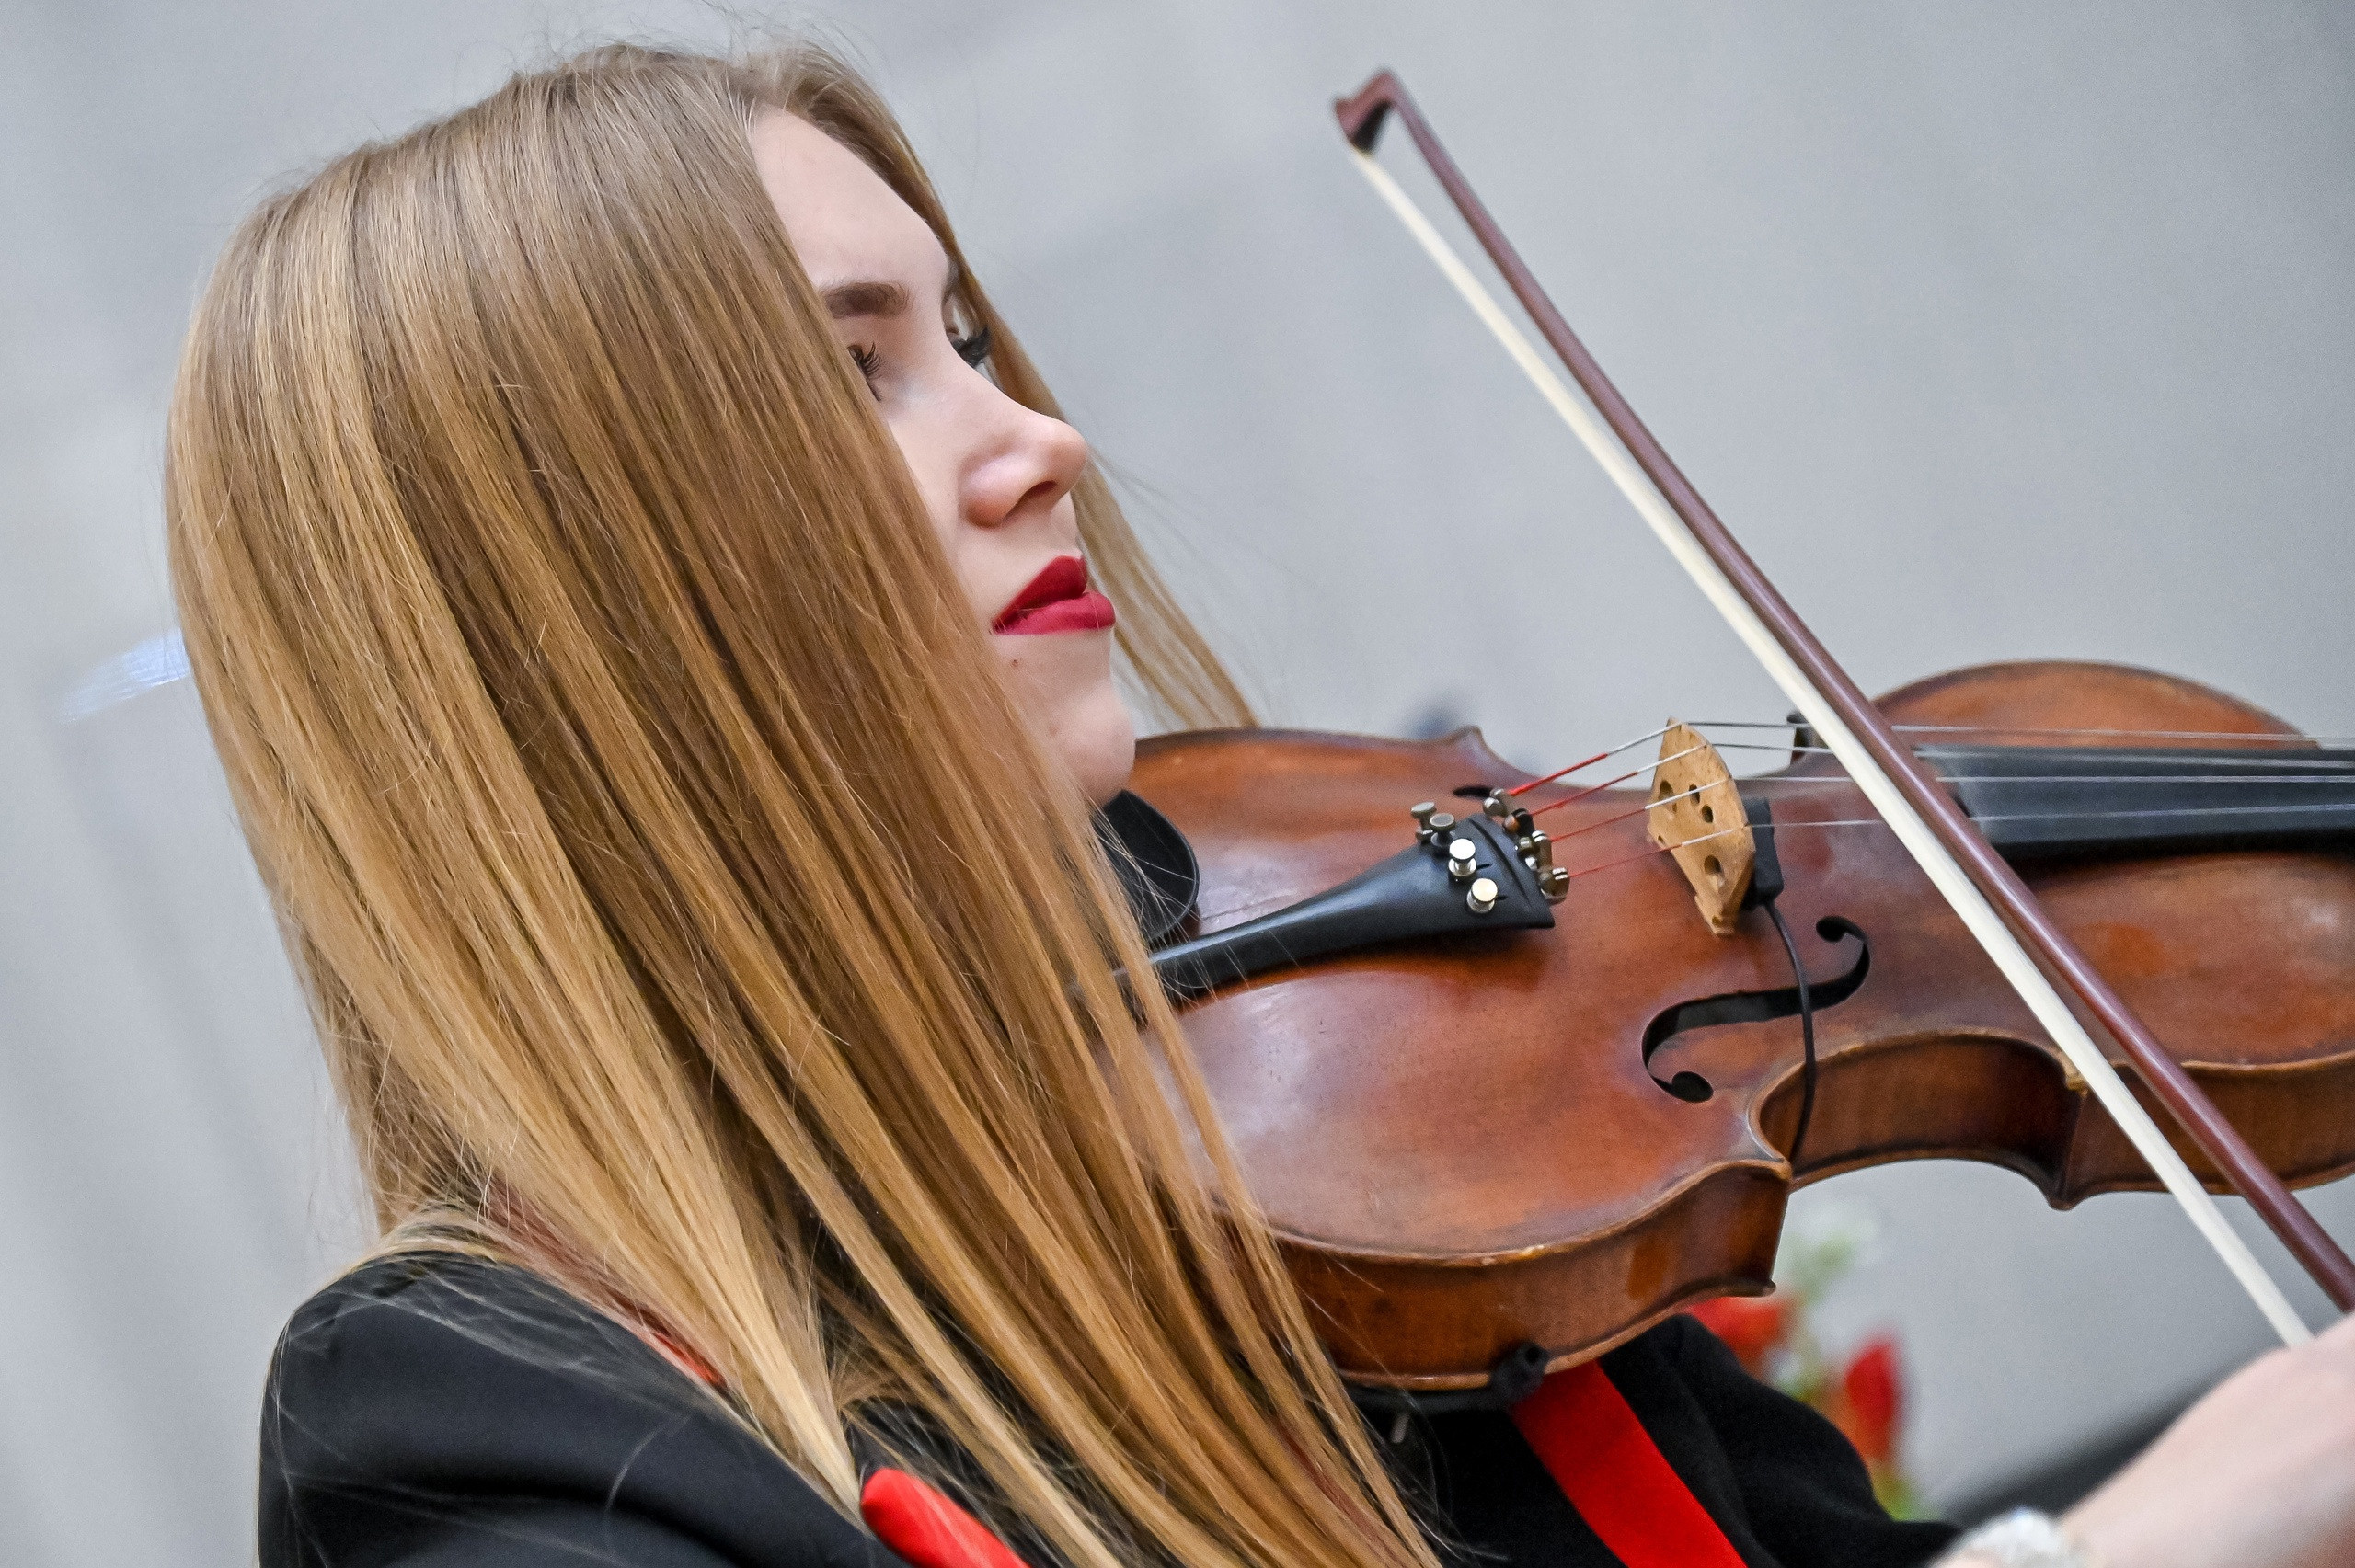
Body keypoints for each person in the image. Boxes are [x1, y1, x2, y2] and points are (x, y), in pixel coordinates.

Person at [163, 40, 2355, 1568]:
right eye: (856, 374)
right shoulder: (477, 1445)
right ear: (572, 590)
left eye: (964, 338)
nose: (1041, 439)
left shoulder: (1370, 1157)